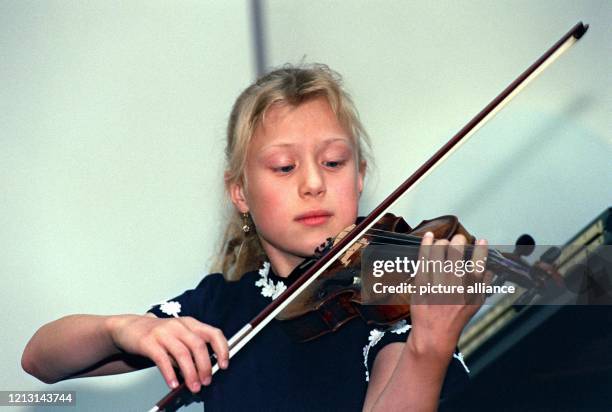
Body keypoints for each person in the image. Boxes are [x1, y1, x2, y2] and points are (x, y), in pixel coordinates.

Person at [22, 64, 489, 411]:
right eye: (284, 167)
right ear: (240, 192)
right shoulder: (220, 313)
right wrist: (121, 328)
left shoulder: (387, 297)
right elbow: (40, 361)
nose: (313, 184)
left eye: (333, 162)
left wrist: (428, 350)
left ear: (360, 176)